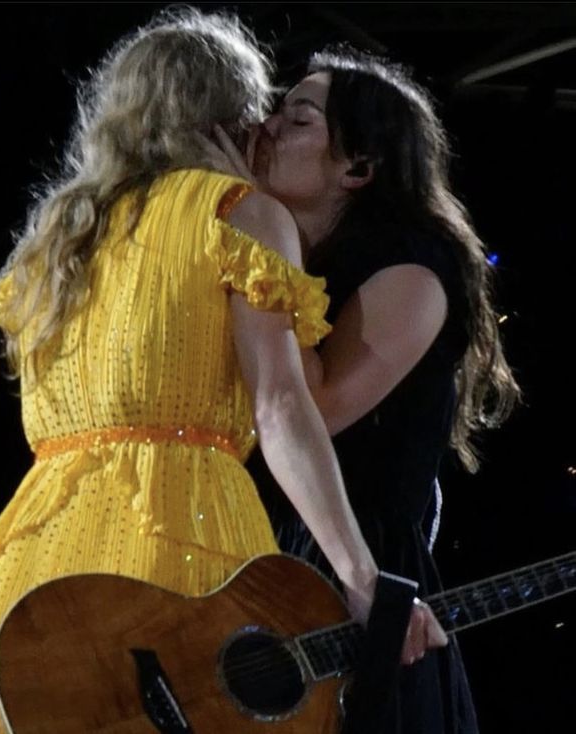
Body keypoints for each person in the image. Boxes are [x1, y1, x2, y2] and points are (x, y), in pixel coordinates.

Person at [0, 12, 447, 734]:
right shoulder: (239, 213)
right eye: (262, 112)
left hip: (41, 551)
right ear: (229, 113)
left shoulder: (56, 238)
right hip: (183, 527)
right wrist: (363, 580)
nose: (266, 129)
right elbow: (281, 408)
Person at [211, 44, 520, 733]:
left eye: (298, 120)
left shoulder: (412, 269)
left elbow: (310, 411)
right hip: (248, 545)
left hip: (347, 566)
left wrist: (262, 236)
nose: (264, 129)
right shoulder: (275, 243)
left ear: (357, 167)